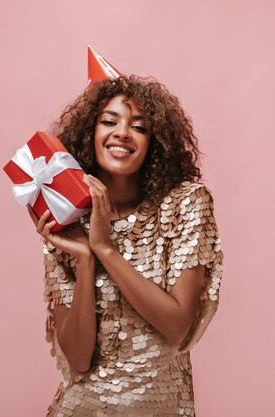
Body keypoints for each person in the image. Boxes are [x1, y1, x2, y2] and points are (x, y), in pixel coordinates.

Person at [27, 75, 224, 416]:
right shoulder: (66, 220)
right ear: (91, 133)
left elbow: (177, 326)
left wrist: (106, 250)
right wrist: (85, 259)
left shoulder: (186, 205)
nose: (121, 133)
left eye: (139, 126)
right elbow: (77, 358)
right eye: (109, 121)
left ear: (155, 142)